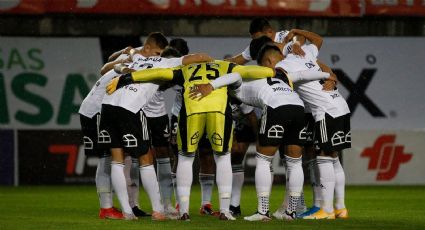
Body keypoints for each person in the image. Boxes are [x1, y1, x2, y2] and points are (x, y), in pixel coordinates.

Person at [106, 61, 276, 221]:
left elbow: (158, 73)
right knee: (222, 157)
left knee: (185, 158)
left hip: (192, 109)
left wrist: (127, 77)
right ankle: (225, 210)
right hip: (218, 111)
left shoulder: (186, 69)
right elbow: (249, 70)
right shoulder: (225, 65)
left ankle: (184, 211)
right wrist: (272, 71)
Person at [188, 59, 331, 221]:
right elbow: (303, 75)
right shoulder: (281, 76)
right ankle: (290, 213)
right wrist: (329, 75)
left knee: (263, 160)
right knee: (295, 162)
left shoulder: (240, 79)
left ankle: (263, 212)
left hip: (276, 106)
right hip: (297, 107)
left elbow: (233, 75)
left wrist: (211, 85)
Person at [254, 37, 350, 219]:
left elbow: (290, 75)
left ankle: (325, 209)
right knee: (333, 158)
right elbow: (317, 49)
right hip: (338, 105)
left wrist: (329, 77)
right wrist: (329, 76)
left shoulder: (285, 66)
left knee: (321, 158)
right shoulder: (306, 55)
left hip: (322, 109)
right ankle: (339, 207)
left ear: (269, 59)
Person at [79, 69, 125, 220]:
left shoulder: (127, 58)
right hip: (97, 112)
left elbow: (106, 67)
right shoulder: (132, 62)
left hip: (93, 110)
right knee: (105, 158)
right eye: (157, 53)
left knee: (107, 158)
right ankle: (106, 208)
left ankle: (107, 206)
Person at [226, 17, 305, 65]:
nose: (256, 41)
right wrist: (215, 63)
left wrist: (296, 44)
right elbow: (235, 61)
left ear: (270, 32)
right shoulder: (257, 44)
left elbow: (299, 36)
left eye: (259, 38)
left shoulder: (283, 36)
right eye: (254, 39)